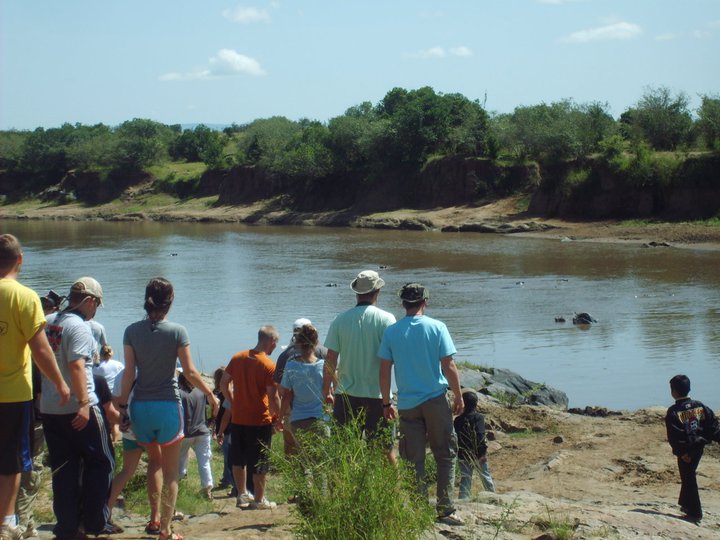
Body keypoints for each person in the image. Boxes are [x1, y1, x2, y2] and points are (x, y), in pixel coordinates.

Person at [118, 277, 219, 540]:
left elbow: (129, 373)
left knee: (154, 463)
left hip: (140, 405)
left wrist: (121, 405)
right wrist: (210, 394)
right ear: (170, 301)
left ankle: (152, 519)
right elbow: (190, 371)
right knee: (171, 470)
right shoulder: (177, 331)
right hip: (167, 407)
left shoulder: (131, 330)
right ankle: (165, 529)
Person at [0, 234, 69, 540]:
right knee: (12, 461)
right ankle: (5, 522)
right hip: (13, 393)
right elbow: (41, 350)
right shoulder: (25, 297)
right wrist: (60, 383)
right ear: (20, 260)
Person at [379, 283, 464, 526]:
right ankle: (445, 509)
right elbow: (448, 365)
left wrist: (386, 403)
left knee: (412, 458)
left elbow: (384, 370)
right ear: (425, 302)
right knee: (445, 454)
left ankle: (418, 509)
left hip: (407, 403)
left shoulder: (392, 332)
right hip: (436, 399)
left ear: (403, 303)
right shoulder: (437, 327)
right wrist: (458, 396)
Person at [40, 277, 116, 539]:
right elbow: (77, 367)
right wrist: (83, 404)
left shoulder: (48, 323)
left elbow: (38, 360)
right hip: (79, 405)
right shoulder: (80, 328)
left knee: (64, 468)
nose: (95, 312)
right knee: (102, 462)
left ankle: (67, 526)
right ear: (90, 301)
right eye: (97, 305)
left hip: (50, 407)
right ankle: (95, 522)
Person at [322, 270, 396, 459]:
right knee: (384, 450)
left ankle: (342, 488)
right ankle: (393, 489)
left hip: (346, 396)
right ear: (377, 291)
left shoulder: (340, 320)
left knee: (343, 451)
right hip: (378, 395)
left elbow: (330, 358)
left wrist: (326, 391)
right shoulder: (387, 320)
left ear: (357, 292)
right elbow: (394, 357)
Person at [221, 326, 282, 510]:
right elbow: (273, 396)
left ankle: (241, 495)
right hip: (259, 420)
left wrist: (232, 402)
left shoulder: (238, 357)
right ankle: (259, 500)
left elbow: (224, 383)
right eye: (275, 344)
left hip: (239, 419)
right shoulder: (268, 365)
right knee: (260, 461)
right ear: (270, 341)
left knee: (238, 459)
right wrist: (278, 416)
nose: (275, 348)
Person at [107, 368, 162, 536]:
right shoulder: (151, 372)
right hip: (147, 427)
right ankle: (155, 517)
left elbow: (115, 401)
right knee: (156, 463)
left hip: (128, 428)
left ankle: (105, 513)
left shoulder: (122, 374)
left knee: (126, 470)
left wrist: (124, 418)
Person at [665, 374, 717, 523]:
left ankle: (695, 512)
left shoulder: (674, 411)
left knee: (688, 478)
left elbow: (674, 434)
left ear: (673, 392)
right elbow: (713, 425)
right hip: (699, 447)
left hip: (687, 451)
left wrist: (682, 452)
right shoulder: (700, 406)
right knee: (688, 475)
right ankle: (685, 505)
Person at [274, 318, 327, 455]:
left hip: (296, 416)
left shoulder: (288, 361)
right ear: (315, 340)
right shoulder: (324, 362)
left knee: (296, 455)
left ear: (296, 339)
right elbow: (330, 389)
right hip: (321, 418)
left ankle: (296, 474)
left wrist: (280, 418)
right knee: (321, 459)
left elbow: (284, 392)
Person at [177, 373, 214, 500]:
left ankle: (179, 485)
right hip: (202, 431)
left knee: (181, 460)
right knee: (204, 461)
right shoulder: (201, 392)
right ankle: (207, 488)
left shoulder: (179, 393)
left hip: (185, 432)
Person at [454, 389, 495, 500]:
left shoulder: (457, 420)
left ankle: (463, 500)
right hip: (477, 453)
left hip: (463, 454)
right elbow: (480, 435)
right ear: (476, 404)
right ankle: (493, 497)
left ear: (463, 404)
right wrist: (483, 453)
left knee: (465, 478)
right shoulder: (478, 417)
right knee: (485, 476)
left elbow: (456, 438)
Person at [211, 367, 235, 495]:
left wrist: (218, 431)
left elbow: (220, 415)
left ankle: (230, 480)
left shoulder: (219, 395)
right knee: (228, 455)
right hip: (232, 427)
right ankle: (227, 478)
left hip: (226, 428)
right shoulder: (229, 393)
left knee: (228, 456)